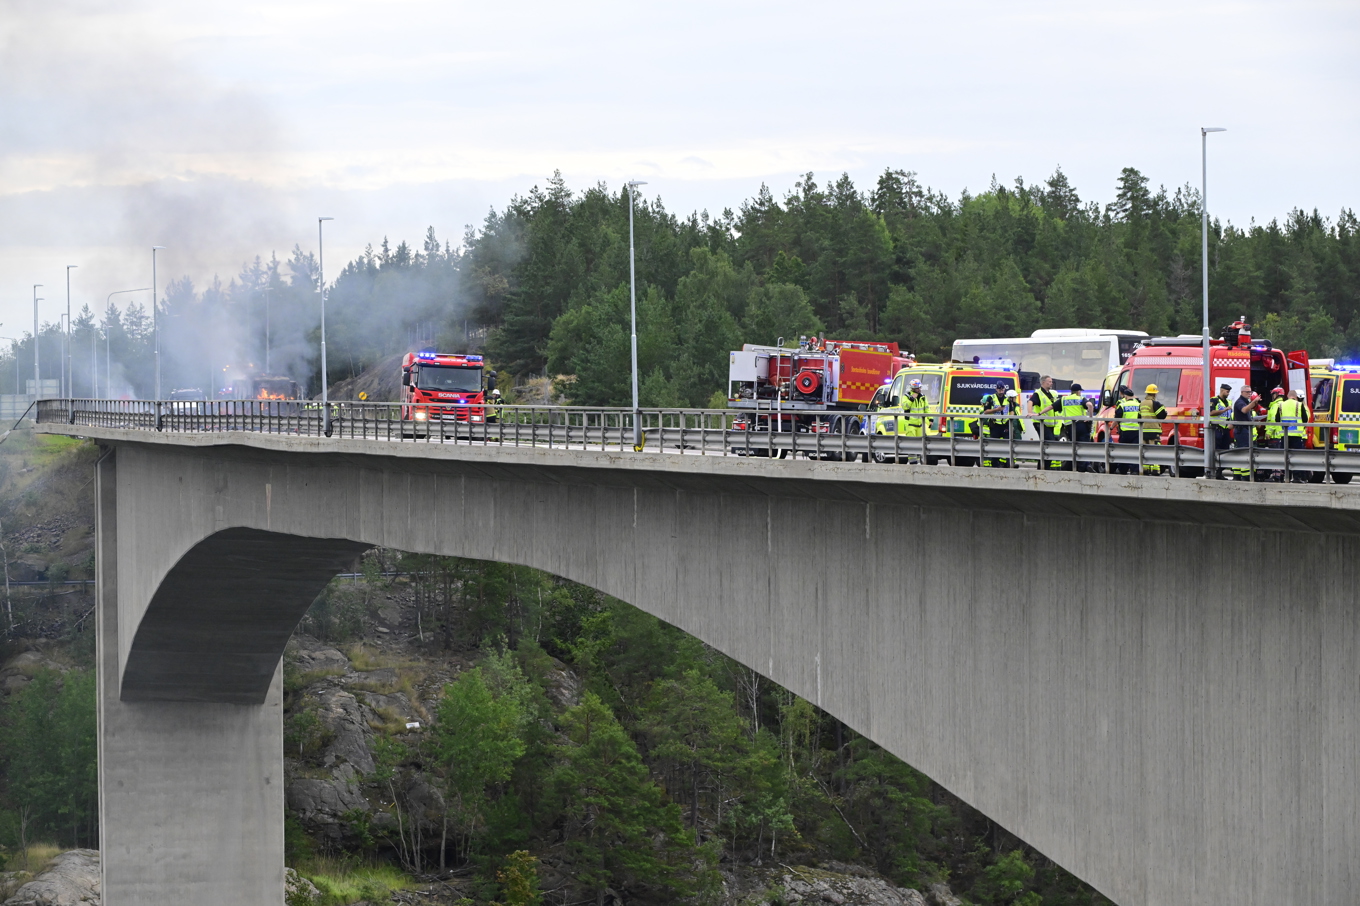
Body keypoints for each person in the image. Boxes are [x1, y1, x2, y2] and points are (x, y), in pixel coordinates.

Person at [1231, 384, 1265, 481]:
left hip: (1244, 430)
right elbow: (1244, 410)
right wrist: (1254, 402)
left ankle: (1237, 475)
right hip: (1242, 431)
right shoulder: (1240, 402)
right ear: (1242, 392)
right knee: (1245, 453)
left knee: (1241, 453)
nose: (1249, 394)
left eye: (1250, 392)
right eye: (1247, 392)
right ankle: (1245, 476)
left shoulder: (1245, 401)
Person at [979, 381, 1017, 468]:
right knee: (994, 445)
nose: (1001, 391)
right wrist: (996, 410)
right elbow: (986, 411)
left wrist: (1011, 419)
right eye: (999, 389)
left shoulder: (1007, 399)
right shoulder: (991, 398)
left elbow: (1011, 410)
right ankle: (995, 464)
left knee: (1008, 444)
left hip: (1005, 425)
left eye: (1002, 389)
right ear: (996, 389)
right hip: (995, 425)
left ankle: (1007, 464)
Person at [1058, 383, 1093, 471]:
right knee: (1084, 446)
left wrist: (1039, 414)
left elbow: (1051, 407)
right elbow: (1090, 405)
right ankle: (1084, 466)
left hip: (1070, 427)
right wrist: (1090, 417)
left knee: (1074, 446)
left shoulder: (1064, 399)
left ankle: (1076, 466)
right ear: (1078, 391)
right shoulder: (1081, 398)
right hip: (1081, 426)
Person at [1030, 375, 1061, 470]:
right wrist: (1030, 412)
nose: (1051, 383)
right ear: (1043, 382)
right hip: (1041, 423)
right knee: (1050, 444)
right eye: (1049, 381)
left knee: (1046, 445)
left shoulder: (1050, 394)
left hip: (1049, 424)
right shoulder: (1038, 393)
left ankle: (1043, 467)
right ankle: (1044, 467)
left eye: (1051, 381)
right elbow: (1030, 402)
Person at [1139, 384, 1169, 475]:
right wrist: (1164, 410)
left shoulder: (1142, 403)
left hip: (1143, 430)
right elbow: (1162, 416)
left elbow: (1138, 417)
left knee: (1145, 449)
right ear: (1155, 394)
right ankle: (1155, 469)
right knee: (1155, 449)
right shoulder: (1155, 404)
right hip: (1153, 430)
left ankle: (1145, 469)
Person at [1113, 386, 1142, 475]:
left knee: (1123, 451)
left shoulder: (1122, 405)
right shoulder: (1139, 405)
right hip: (1136, 431)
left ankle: (1123, 469)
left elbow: (1117, 418)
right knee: (1135, 451)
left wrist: (1111, 428)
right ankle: (1135, 470)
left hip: (1125, 432)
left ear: (1125, 396)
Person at [1208, 383, 1234, 478]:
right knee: (1216, 451)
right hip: (1217, 429)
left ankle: (1219, 472)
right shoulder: (1213, 400)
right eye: (1227, 391)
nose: (1228, 393)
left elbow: (1230, 414)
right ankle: (1214, 472)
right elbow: (1211, 412)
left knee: (1225, 451)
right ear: (1222, 390)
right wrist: (1224, 410)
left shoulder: (1228, 401)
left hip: (1226, 430)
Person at [1265, 387, 1288, 481]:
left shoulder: (1275, 405)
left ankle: (1276, 476)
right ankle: (1281, 476)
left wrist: (1268, 432)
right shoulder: (1284, 404)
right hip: (1282, 435)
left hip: (1275, 435)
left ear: (1276, 395)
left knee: (1275, 457)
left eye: (1273, 394)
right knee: (1281, 456)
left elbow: (1273, 420)